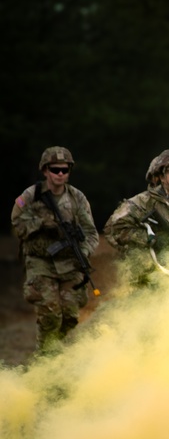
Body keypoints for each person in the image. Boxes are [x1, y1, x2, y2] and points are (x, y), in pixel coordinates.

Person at [11, 146, 100, 352]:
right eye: (55, 169)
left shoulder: (77, 198)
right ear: (45, 171)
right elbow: (17, 222)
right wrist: (42, 223)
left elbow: (91, 233)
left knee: (69, 316)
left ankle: (59, 360)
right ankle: (45, 360)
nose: (60, 174)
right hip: (40, 262)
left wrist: (84, 252)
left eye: (64, 170)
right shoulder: (31, 195)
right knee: (50, 315)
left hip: (70, 263)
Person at [103, 148, 169, 282]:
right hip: (146, 277)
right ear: (161, 176)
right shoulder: (142, 202)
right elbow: (113, 229)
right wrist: (148, 239)